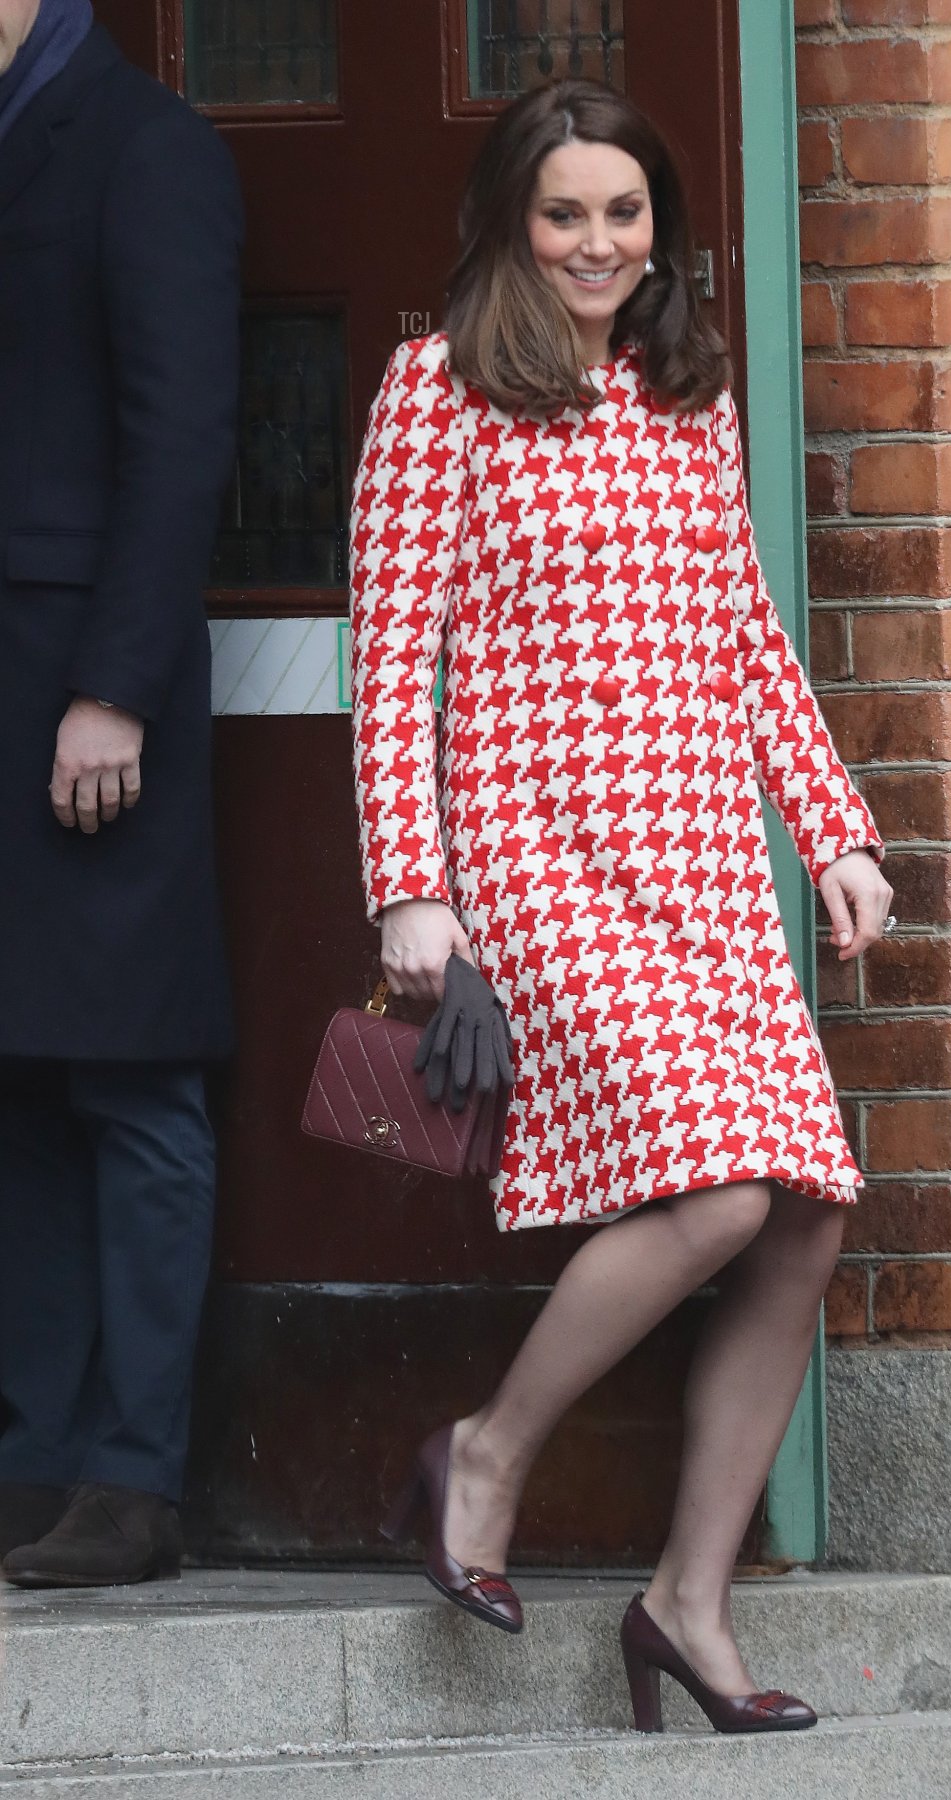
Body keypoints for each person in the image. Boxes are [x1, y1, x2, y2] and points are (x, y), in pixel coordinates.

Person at [349, 79, 892, 1731]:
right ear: (513, 222)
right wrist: (411, 889)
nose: (598, 243)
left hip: (707, 862)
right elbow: (392, 658)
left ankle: (686, 1608)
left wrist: (833, 832)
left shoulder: (686, 391)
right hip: (542, 858)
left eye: (625, 212)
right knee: (720, 1191)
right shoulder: (438, 387)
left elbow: (743, 635)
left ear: (661, 224)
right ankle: (483, 1459)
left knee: (806, 1211)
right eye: (566, 213)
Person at [0, 0, 242, 1587]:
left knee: (133, 1077)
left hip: (89, 690)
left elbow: (180, 438)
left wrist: (117, 687)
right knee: (16, 1078)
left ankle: (134, 1477)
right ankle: (33, 1458)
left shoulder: (150, 148)